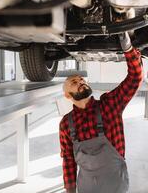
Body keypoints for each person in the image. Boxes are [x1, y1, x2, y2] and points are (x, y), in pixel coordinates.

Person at [59, 32, 143, 193]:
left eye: (82, 80)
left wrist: (128, 49)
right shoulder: (66, 124)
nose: (81, 82)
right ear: (68, 95)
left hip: (115, 186)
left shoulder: (110, 105)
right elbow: (68, 159)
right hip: (86, 188)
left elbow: (135, 78)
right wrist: (70, 190)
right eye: (74, 82)